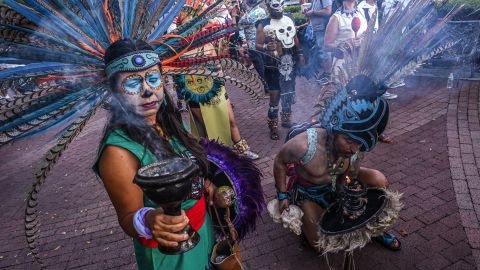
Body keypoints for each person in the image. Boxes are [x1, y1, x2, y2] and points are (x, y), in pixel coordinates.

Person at [93, 39, 217, 269]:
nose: (147, 91)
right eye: (132, 83)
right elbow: (128, 216)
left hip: (203, 230)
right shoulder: (117, 152)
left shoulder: (169, 122)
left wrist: (205, 184)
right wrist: (150, 219)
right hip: (168, 254)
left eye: (152, 79)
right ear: (114, 92)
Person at [273, 76, 401, 252]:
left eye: (359, 144)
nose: (354, 149)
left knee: (378, 179)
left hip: (340, 183)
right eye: (348, 141)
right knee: (319, 244)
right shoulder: (304, 145)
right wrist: (282, 196)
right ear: (334, 131)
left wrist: (353, 194)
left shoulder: (355, 148)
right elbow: (279, 161)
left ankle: (376, 229)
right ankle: (308, 226)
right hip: (310, 192)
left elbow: (351, 175)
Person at [255, 0, 305, 140]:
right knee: (275, 96)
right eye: (275, 7)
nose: (279, 10)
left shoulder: (289, 18)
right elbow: (257, 45)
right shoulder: (263, 24)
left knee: (288, 93)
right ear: (269, 8)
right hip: (273, 65)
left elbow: (294, 37)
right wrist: (267, 47)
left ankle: (286, 120)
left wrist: (300, 53)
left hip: (289, 62)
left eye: (281, 6)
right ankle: (273, 127)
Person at [324, 0, 368, 82]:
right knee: (342, 92)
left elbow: (366, 33)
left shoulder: (361, 11)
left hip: (360, 62)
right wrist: (346, 45)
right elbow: (327, 45)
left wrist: (362, 41)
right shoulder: (336, 18)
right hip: (343, 65)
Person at [304, 0, 333, 85]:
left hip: (323, 29)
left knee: (325, 52)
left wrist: (312, 12)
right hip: (318, 29)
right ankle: (326, 74)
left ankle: (328, 76)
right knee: (322, 52)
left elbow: (328, 11)